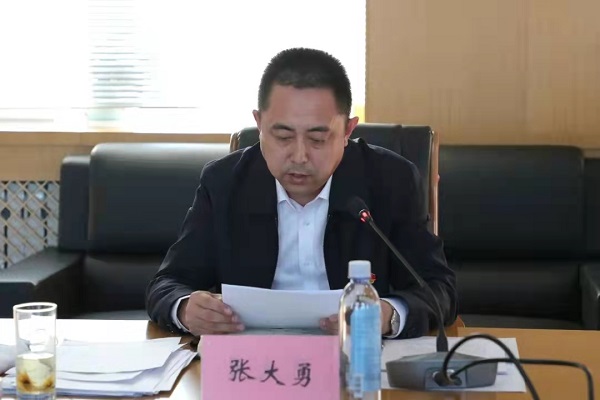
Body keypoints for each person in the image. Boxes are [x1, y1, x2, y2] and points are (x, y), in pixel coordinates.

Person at [145, 47, 457, 338]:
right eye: (282, 136)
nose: (299, 156)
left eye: (317, 139)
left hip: (354, 355)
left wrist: (388, 315)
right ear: (259, 123)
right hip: (253, 359)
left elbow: (438, 289)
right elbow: (168, 284)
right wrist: (185, 309)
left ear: (348, 131)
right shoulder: (224, 182)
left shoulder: (390, 180)